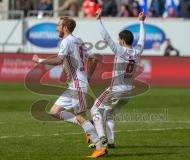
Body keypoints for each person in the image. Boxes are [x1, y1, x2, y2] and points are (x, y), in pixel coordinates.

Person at [32, 17, 107, 158]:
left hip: (77, 84)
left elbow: (59, 60)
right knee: (54, 111)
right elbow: (94, 58)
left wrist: (40, 60)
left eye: (58, 25)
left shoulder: (66, 41)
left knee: (79, 116)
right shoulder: (78, 40)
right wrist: (88, 76)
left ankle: (99, 146)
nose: (56, 28)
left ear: (65, 27)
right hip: (76, 83)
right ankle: (88, 125)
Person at [90, 8, 145, 148]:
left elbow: (106, 37)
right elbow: (142, 40)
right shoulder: (138, 51)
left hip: (116, 90)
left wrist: (99, 20)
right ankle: (111, 141)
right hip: (128, 93)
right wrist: (142, 23)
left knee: (94, 109)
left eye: (119, 39)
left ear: (121, 40)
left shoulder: (120, 50)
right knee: (108, 113)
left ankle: (101, 137)